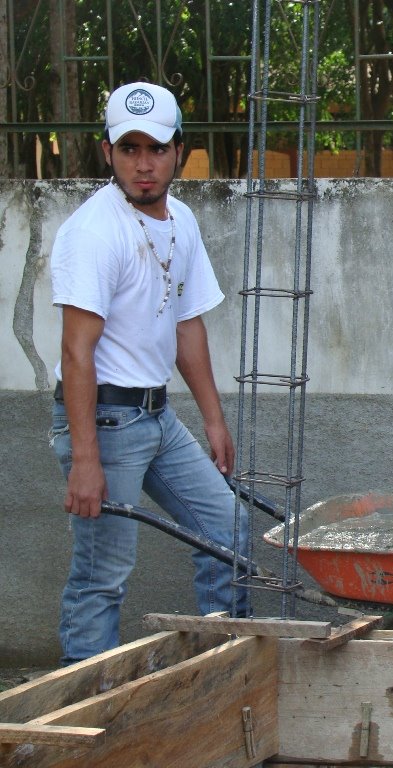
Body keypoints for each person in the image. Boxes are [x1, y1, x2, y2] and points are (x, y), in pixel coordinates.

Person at [49, 81, 249, 665]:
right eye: (129, 148)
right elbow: (76, 353)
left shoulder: (181, 221)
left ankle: (219, 669)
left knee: (229, 532)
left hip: (157, 416)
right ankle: (86, 710)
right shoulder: (93, 232)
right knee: (103, 574)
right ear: (106, 150)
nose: (144, 164)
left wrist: (213, 420)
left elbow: (187, 325)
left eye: (156, 149)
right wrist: (85, 462)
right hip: (104, 421)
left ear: (180, 151)